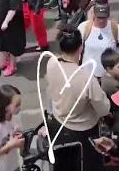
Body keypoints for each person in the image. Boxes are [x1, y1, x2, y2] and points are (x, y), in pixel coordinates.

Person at [45, 24, 109, 171]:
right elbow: (103, 109)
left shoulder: (51, 63)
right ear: (81, 48)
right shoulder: (86, 77)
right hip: (83, 130)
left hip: (58, 121)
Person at [78, 0, 119, 79]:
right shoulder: (83, 27)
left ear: (108, 15)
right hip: (88, 77)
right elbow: (76, 50)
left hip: (109, 78)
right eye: (99, 17)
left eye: (104, 17)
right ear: (93, 14)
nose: (101, 21)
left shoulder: (116, 28)